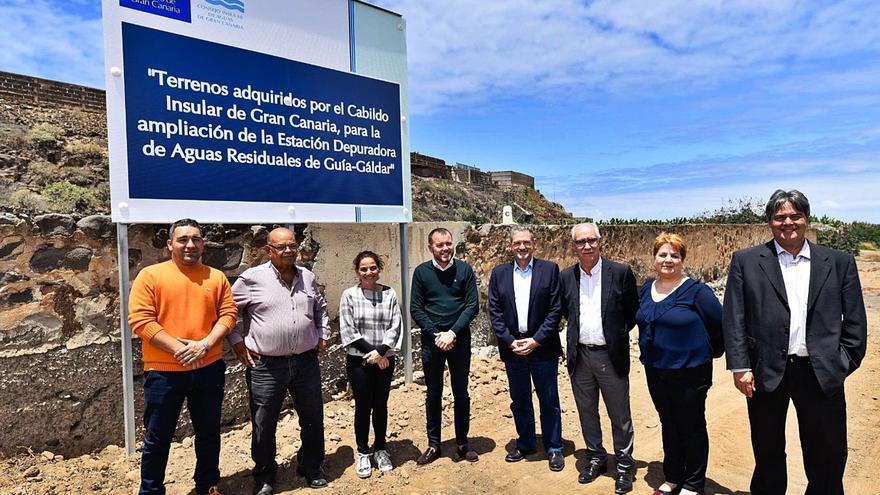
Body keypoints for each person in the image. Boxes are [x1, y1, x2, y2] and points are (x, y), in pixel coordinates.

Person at [723, 189, 867, 495]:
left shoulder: (838, 262)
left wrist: (840, 364)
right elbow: (734, 318)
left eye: (794, 216)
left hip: (819, 373)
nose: (788, 222)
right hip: (765, 373)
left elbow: (855, 323)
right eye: (780, 217)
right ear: (770, 222)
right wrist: (740, 366)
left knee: (826, 453)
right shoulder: (746, 261)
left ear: (806, 219)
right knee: (767, 450)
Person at [128, 218, 238, 495]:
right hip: (163, 372)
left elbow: (229, 314)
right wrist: (179, 349)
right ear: (169, 245)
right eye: (183, 239)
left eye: (196, 239)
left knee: (209, 434)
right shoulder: (150, 276)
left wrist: (204, 345)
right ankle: (151, 491)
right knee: (158, 438)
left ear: (203, 244)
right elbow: (140, 320)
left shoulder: (216, 277)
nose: (190, 244)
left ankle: (208, 487)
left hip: (208, 367)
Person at [229, 227, 330, 493]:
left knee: (312, 417)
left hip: (306, 362)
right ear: (268, 250)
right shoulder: (251, 278)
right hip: (266, 366)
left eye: (292, 246)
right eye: (281, 247)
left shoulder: (307, 276)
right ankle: (264, 476)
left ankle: (310, 466)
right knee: (264, 422)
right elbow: (226, 311)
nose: (288, 251)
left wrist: (323, 333)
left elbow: (320, 307)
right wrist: (236, 342)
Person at [635, 233, 723, 495]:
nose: (668, 260)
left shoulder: (697, 292)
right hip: (656, 370)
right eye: (663, 254)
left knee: (692, 425)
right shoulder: (645, 290)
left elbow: (719, 328)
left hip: (690, 372)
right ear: (654, 258)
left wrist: (703, 355)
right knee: (668, 422)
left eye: (674, 255)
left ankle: (694, 483)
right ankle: (673, 476)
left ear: (682, 259)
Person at [559, 222, 639, 494]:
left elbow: (631, 313)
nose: (587, 246)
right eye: (581, 242)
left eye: (591, 240)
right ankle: (596, 458)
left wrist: (612, 336)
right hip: (580, 356)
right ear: (574, 246)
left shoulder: (620, 272)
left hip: (610, 356)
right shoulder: (566, 277)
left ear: (600, 241)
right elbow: (568, 313)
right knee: (587, 413)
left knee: (620, 415)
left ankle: (625, 465)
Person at [487, 226, 564, 471]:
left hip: (542, 347)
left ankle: (554, 447)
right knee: (519, 399)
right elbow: (495, 310)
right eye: (517, 243)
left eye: (526, 243)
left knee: (549, 399)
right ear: (510, 246)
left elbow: (555, 310)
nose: (522, 247)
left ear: (534, 244)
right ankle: (526, 443)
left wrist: (536, 340)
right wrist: (510, 341)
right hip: (513, 348)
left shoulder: (550, 270)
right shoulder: (498, 273)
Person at [410, 227, 480, 464]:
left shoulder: (465, 270)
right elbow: (416, 308)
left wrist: (451, 333)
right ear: (431, 247)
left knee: (461, 392)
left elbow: (472, 306)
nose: (445, 249)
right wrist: (436, 334)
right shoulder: (421, 273)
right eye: (440, 245)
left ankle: (462, 442)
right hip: (432, 343)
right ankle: (434, 444)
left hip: (459, 341)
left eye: (448, 243)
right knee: (433, 393)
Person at [338, 251, 403, 479]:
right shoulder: (349, 295)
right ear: (357, 271)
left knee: (381, 404)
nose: (368, 272)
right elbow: (349, 330)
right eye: (364, 269)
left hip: (385, 359)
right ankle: (363, 450)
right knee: (363, 406)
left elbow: (395, 325)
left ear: (379, 269)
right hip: (360, 361)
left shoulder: (390, 294)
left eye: (373, 268)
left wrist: (382, 352)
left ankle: (381, 448)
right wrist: (374, 353)